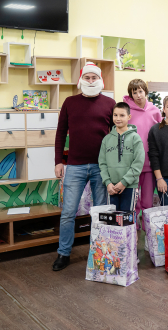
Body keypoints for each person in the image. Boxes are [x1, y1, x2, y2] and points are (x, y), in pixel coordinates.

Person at [52, 63, 116, 271]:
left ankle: (99, 252)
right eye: (87, 77)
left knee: (99, 212)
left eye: (93, 78)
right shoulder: (70, 102)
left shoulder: (110, 103)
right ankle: (63, 254)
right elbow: (61, 133)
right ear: (81, 80)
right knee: (68, 212)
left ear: (99, 80)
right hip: (75, 166)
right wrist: (58, 161)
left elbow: (116, 135)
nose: (90, 81)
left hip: (101, 167)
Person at [123, 79, 162, 230]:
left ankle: (147, 234)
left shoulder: (155, 110)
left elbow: (160, 134)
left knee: (147, 201)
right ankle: (133, 230)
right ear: (131, 94)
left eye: (140, 91)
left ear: (146, 92)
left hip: (150, 164)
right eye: (134, 92)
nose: (138, 95)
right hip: (131, 165)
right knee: (133, 202)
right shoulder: (127, 111)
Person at [98, 102, 145, 211]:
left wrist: (124, 182)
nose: (118, 118)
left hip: (129, 186)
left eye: (122, 115)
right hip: (111, 187)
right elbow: (102, 163)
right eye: (115, 115)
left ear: (129, 117)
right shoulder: (106, 139)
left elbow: (138, 163)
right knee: (112, 220)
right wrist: (108, 183)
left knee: (126, 219)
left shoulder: (135, 138)